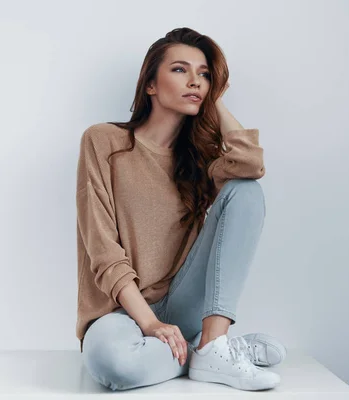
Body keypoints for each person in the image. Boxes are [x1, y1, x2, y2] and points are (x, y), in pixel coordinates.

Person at [75, 27, 287, 392]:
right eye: (180, 70)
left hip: (184, 302)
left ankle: (214, 342)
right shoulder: (104, 142)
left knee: (245, 190)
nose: (195, 81)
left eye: (203, 74)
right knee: (113, 364)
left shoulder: (202, 161)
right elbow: (103, 249)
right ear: (150, 85)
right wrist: (151, 325)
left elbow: (252, 164)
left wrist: (213, 98)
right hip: (121, 312)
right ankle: (205, 352)